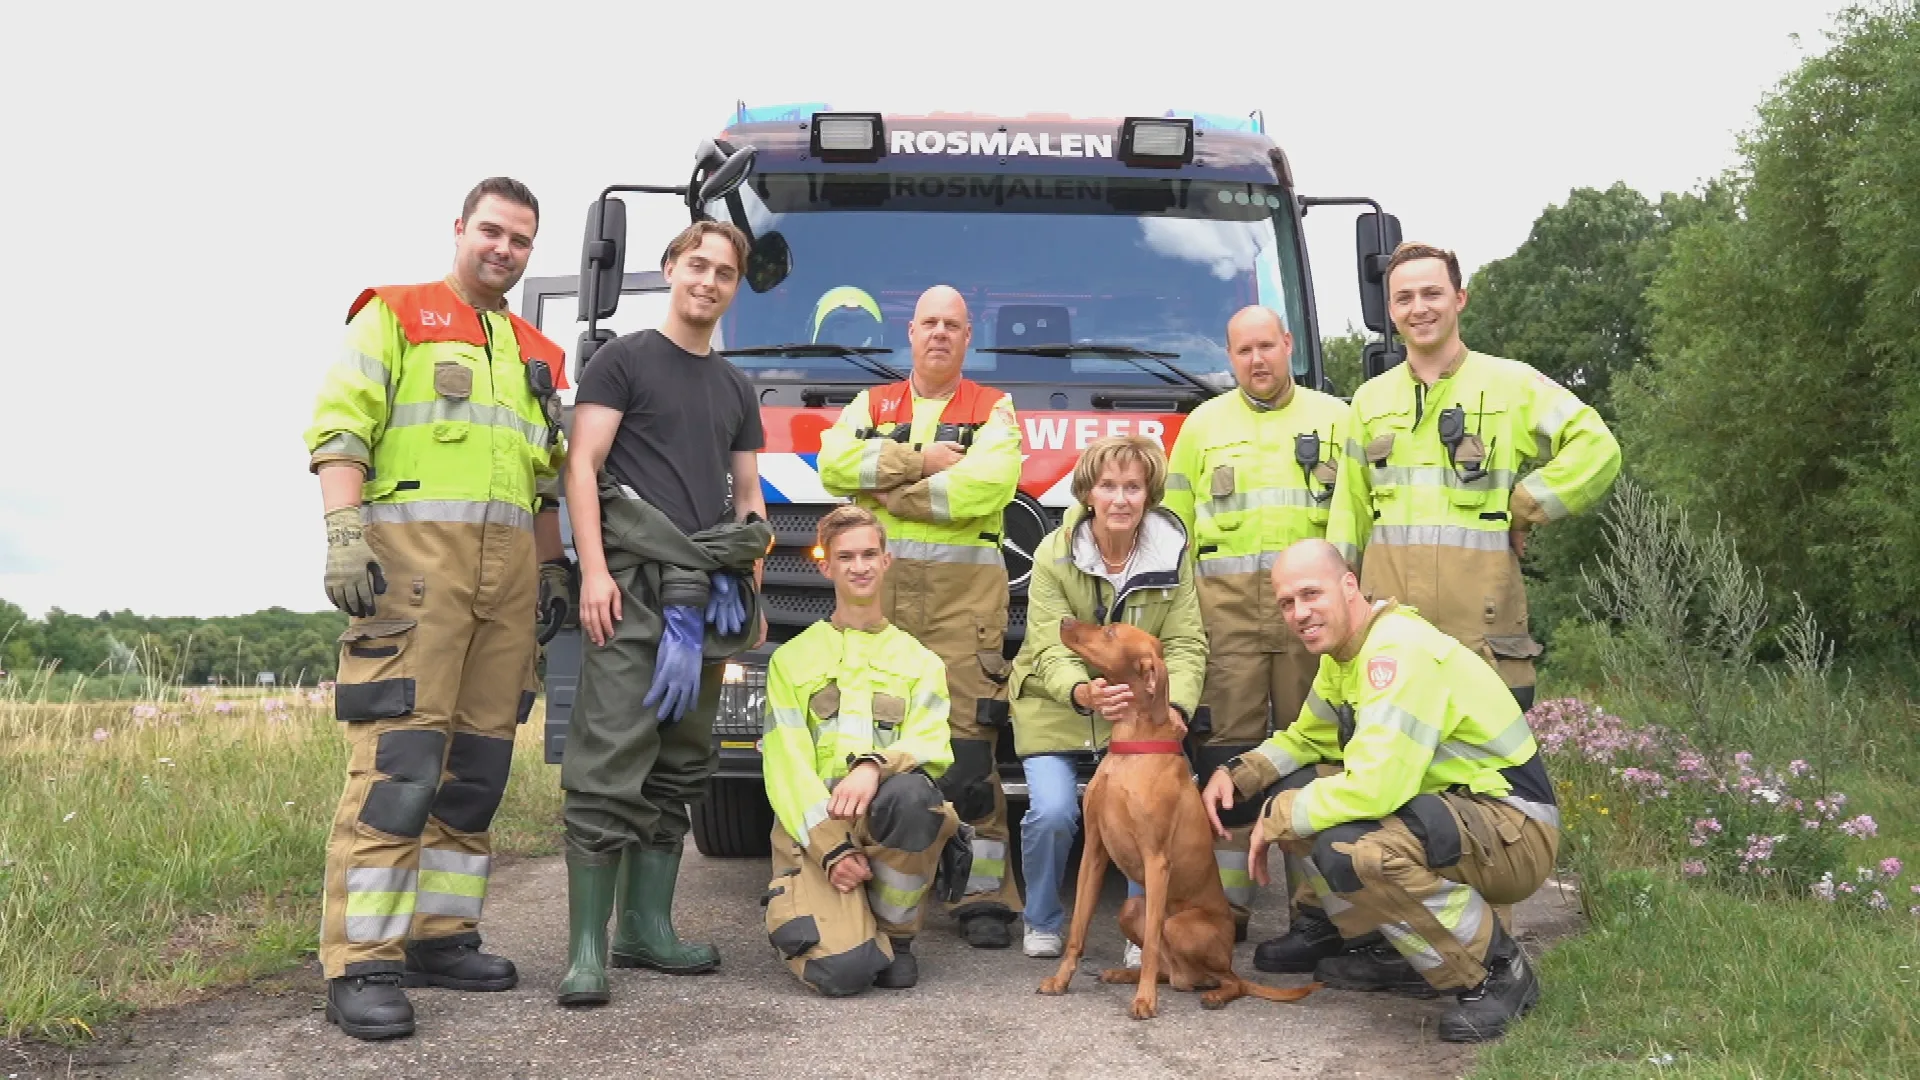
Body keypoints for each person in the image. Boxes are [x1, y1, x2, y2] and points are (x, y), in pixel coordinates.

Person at [304, 177, 572, 1040]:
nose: (504, 249)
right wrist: (343, 533)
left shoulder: (537, 351)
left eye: (521, 240)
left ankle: (441, 937)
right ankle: (364, 962)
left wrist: (554, 567)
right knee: (399, 768)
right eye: (491, 231)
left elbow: (543, 480)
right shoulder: (392, 314)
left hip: (506, 594)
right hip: (414, 582)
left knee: (477, 772)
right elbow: (340, 429)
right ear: (460, 229)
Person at [1202, 540, 1560, 1043]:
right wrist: (1240, 773)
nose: (1300, 613)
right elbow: (1307, 739)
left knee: (1358, 849)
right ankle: (1396, 947)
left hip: (1514, 829)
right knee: (1301, 786)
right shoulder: (1346, 654)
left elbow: (1374, 789)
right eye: (1287, 602)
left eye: (1311, 594)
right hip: (1459, 813)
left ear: (1348, 586)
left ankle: (1495, 972)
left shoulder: (1395, 654)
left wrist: (1277, 816)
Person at [555, 220, 774, 1006]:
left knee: (682, 764)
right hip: (634, 593)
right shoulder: (624, 361)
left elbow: (748, 498)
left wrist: (750, 588)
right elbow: (583, 465)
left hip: (706, 605)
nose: (708, 281)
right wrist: (595, 573)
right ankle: (586, 954)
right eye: (697, 265)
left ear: (733, 287)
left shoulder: (736, 388)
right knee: (610, 761)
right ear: (670, 270)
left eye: (723, 272)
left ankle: (646, 930)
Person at [816, 285, 1026, 948]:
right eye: (929, 323)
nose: (940, 333)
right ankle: (882, 878)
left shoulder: (993, 408)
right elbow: (830, 464)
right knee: (871, 738)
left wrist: (886, 489)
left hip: (965, 605)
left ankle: (985, 893)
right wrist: (924, 462)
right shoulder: (871, 404)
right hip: (882, 600)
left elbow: (989, 484)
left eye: (953, 325)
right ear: (910, 334)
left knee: (969, 750)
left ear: (968, 339)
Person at [1327, 242, 1621, 710]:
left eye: (1432, 293)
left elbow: (1598, 448)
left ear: (1459, 298)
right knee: (1390, 772)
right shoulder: (1368, 400)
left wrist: (1526, 504)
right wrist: (1337, 603)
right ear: (1390, 310)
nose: (1419, 308)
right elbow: (1349, 511)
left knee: (1491, 776)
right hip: (1389, 628)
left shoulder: (1513, 383)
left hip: (1481, 633)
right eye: (1404, 298)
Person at [1163, 305, 1351, 947]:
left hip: (1313, 617)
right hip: (1228, 616)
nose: (1257, 361)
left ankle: (1316, 913)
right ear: (1229, 355)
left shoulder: (1337, 418)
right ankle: (1226, 908)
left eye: (1267, 347)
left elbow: (1358, 520)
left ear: (1289, 344)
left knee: (1317, 753)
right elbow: (1174, 530)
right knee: (1228, 756)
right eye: (1243, 351)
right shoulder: (1201, 426)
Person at [1008, 436, 1206, 958]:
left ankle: (1141, 928)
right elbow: (1048, 644)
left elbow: (1186, 643)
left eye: (1133, 487)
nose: (1121, 499)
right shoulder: (1054, 553)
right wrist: (1082, 691)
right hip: (1059, 706)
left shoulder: (1174, 554)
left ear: (1149, 495)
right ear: (1088, 492)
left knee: (1151, 812)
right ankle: (1043, 919)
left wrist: (1175, 708)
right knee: (1052, 811)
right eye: (1109, 486)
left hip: (1143, 718)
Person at [759, 505, 969, 995]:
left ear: (886, 561)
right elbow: (785, 764)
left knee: (916, 796)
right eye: (846, 556)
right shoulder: (791, 661)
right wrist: (831, 847)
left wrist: (875, 766)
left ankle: (898, 936)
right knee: (842, 974)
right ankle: (852, 929)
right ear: (825, 565)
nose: (860, 566)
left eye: (870, 554)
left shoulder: (920, 662)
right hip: (814, 828)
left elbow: (931, 742)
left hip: (882, 816)